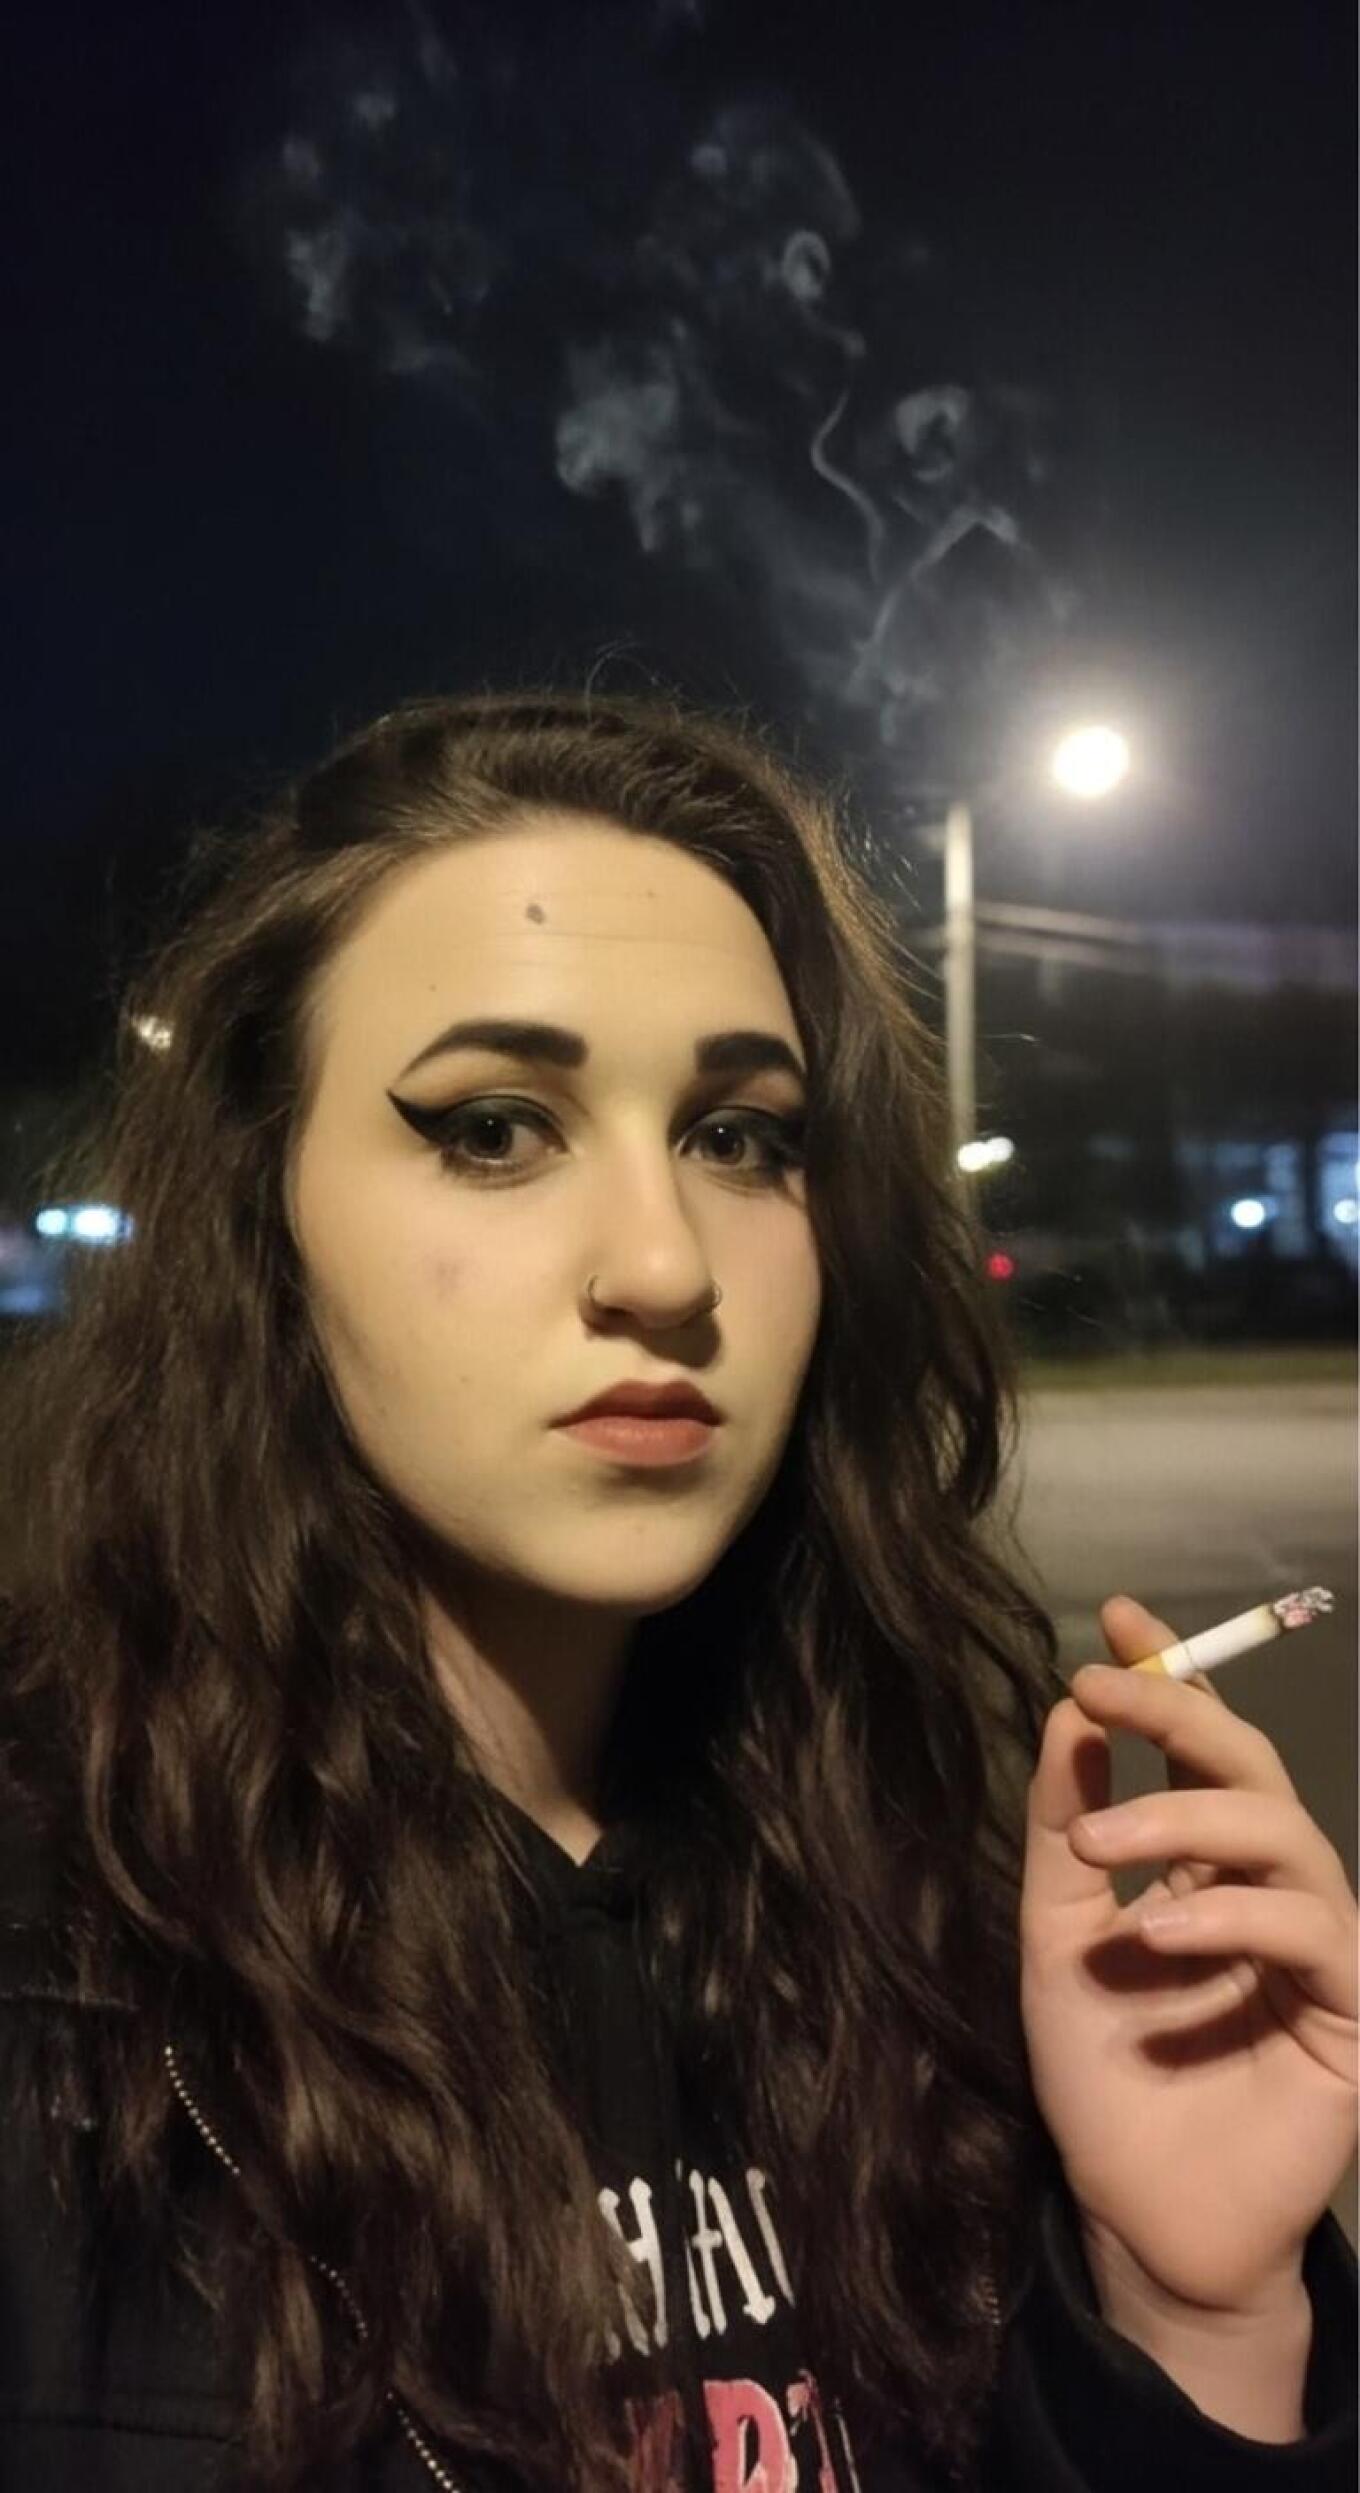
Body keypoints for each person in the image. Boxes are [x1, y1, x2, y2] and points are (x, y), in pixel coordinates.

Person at [0, 685, 1353, 2493]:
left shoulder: (927, 1912)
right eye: (495, 1126)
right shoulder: (60, 1987)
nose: (663, 1264)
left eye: (741, 1136)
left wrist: (1197, 2317)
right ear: (265, 1212)